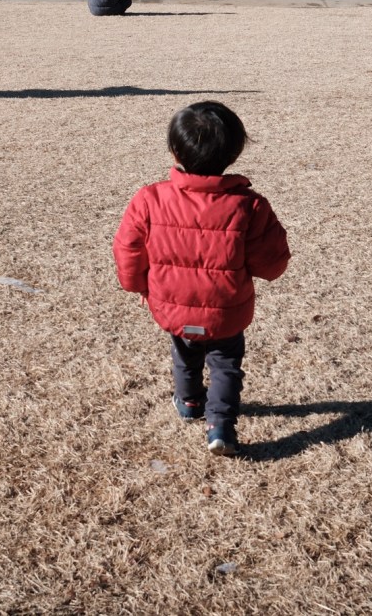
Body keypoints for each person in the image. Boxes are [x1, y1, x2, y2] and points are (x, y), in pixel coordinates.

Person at [113, 101, 290, 456]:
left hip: (171, 306)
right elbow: (271, 263)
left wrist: (136, 285)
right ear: (235, 153)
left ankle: (190, 401)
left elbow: (128, 249)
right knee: (225, 363)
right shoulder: (249, 206)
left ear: (174, 150)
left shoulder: (149, 199)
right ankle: (221, 425)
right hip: (226, 310)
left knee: (184, 350)